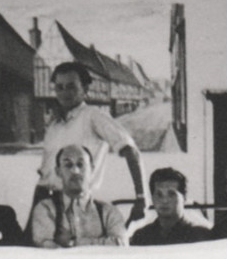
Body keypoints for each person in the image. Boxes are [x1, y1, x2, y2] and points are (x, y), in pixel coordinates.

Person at [36, 61, 145, 223]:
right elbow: (45, 176)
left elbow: (131, 151)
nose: (65, 92)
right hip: (46, 203)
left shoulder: (94, 117)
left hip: (79, 204)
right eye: (59, 87)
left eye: (71, 86)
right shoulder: (54, 126)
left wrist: (141, 197)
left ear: (85, 89)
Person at [29, 144, 128, 248]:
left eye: (81, 164)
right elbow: (46, 247)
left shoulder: (109, 212)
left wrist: (74, 243)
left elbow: (120, 245)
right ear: (58, 172)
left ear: (92, 170)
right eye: (68, 165)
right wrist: (101, 242)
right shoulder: (46, 209)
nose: (75, 171)